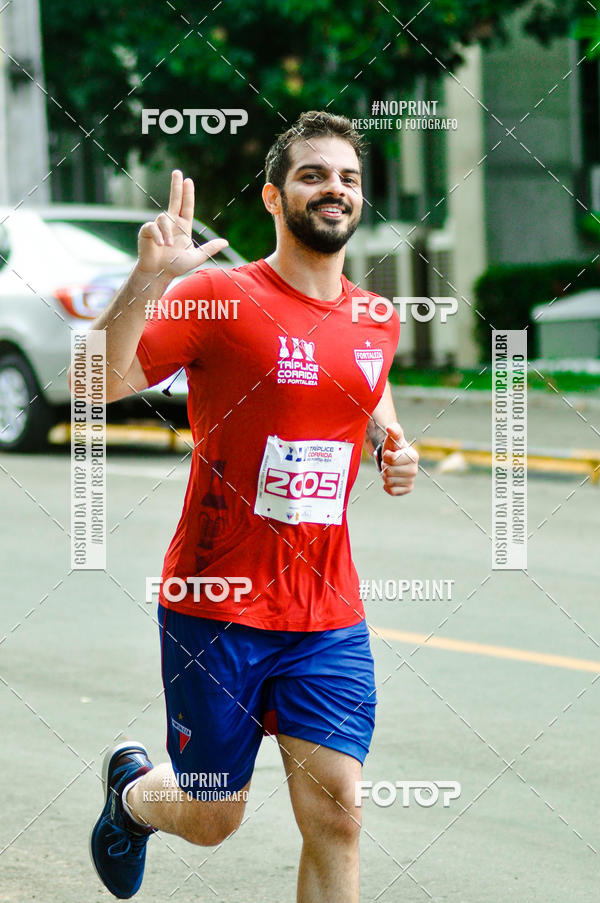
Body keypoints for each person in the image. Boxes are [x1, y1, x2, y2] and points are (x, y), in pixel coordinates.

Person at [82, 110, 418, 901]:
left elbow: (366, 380)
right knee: (211, 814)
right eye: (312, 174)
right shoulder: (218, 299)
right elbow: (91, 384)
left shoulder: (378, 315)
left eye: (348, 177)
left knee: (337, 812)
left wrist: (390, 442)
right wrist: (148, 279)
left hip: (325, 610)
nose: (333, 189)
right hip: (216, 604)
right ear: (273, 197)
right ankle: (133, 795)